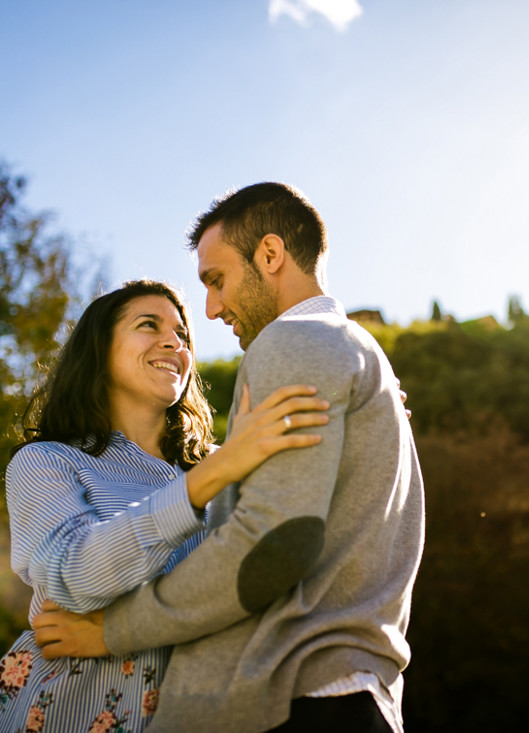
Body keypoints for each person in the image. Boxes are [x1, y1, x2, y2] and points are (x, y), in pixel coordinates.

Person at [33, 183, 425, 733]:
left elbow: (271, 546)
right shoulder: (356, 352)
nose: (212, 309)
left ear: (270, 254)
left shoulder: (292, 342)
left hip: (296, 697)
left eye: (216, 280)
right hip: (353, 692)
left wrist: (111, 631)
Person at [0, 279, 331, 732]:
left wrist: (367, 409)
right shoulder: (48, 462)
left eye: (182, 335)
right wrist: (210, 478)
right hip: (70, 706)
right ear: (99, 349)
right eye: (149, 325)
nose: (174, 342)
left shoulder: (228, 465)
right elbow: (71, 579)